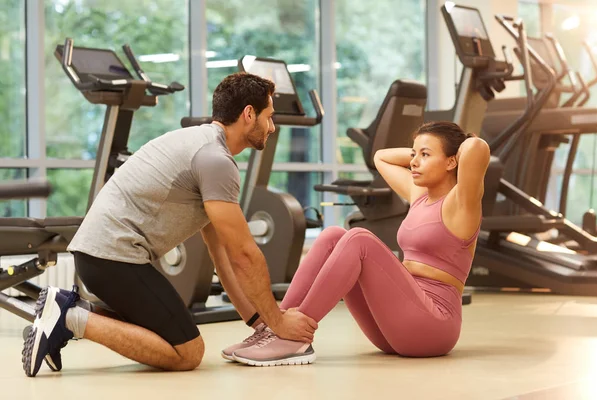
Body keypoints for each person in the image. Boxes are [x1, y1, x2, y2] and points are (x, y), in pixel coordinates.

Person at [22, 72, 318, 377]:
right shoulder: (215, 160)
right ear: (248, 114)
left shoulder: (202, 144)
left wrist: (259, 321)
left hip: (99, 256)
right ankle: (67, 316)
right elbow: (244, 254)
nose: (272, 127)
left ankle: (64, 312)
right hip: (114, 258)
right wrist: (279, 322)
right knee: (187, 353)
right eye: (268, 117)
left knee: (169, 335)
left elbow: (222, 253)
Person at [221, 121, 491, 366]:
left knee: (359, 238)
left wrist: (460, 140)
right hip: (398, 324)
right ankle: (275, 326)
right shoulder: (420, 194)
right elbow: (380, 157)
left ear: (452, 162)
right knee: (333, 235)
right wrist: (423, 148)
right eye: (413, 154)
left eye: (425, 155)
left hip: (433, 326)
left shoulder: (462, 203)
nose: (414, 162)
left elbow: (476, 147)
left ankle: (294, 339)